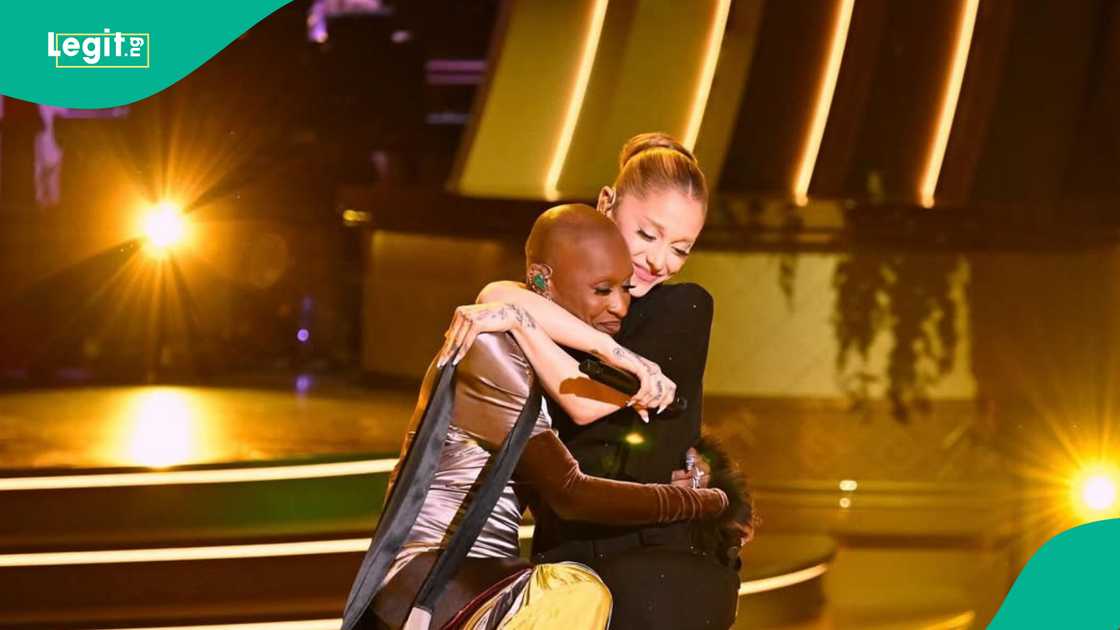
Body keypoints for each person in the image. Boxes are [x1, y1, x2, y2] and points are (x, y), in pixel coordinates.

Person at [342, 204, 731, 630]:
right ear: (543, 281)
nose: (621, 306)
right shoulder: (491, 348)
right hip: (433, 575)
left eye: (624, 288)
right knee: (576, 593)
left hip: (481, 573)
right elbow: (571, 493)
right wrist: (705, 502)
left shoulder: (541, 350)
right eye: (602, 290)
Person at [437, 133, 749, 629]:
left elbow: (585, 402)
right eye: (647, 234)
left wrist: (525, 325)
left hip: (659, 560)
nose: (659, 261)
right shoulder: (562, 309)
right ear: (607, 203)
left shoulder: (682, 307)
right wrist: (547, 326)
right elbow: (496, 293)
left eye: (680, 248)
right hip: (568, 559)